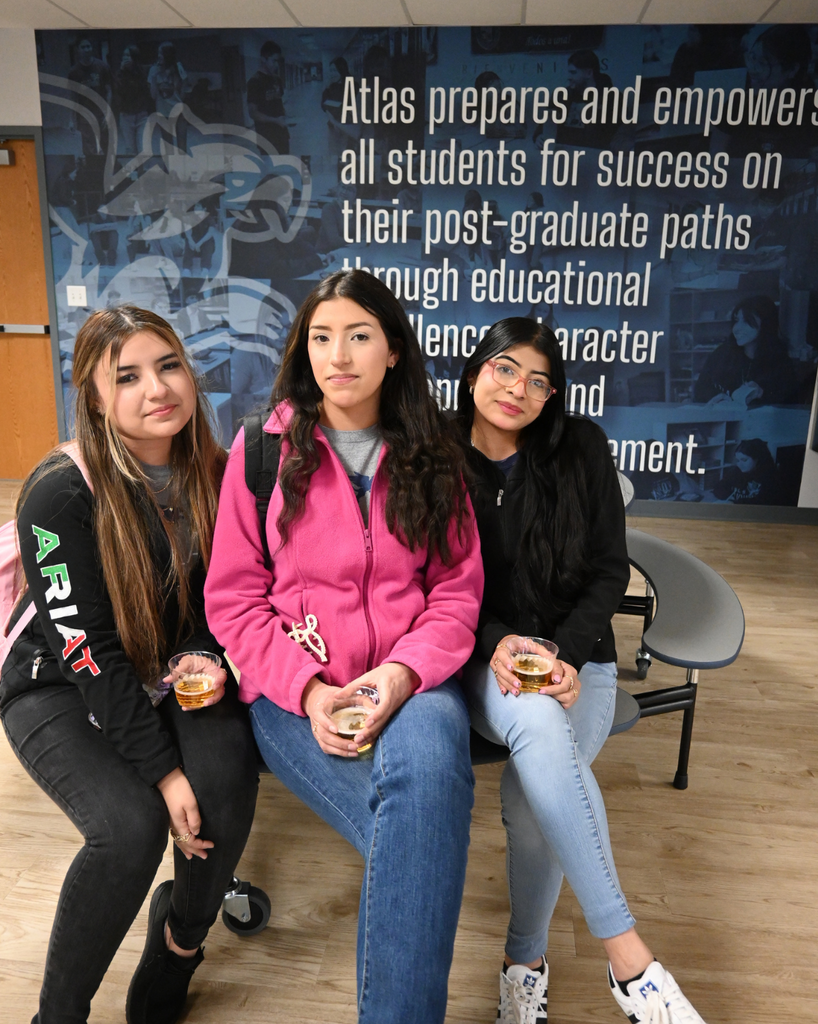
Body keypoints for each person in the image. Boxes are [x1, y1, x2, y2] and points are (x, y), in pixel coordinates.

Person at [204, 268, 483, 1024]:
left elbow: (458, 593)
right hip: (297, 692)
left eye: (359, 335)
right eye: (322, 337)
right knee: (424, 829)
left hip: (414, 682)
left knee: (422, 793)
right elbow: (233, 601)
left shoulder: (436, 456)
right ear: (304, 350)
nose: (339, 355)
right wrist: (308, 689)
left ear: (393, 350)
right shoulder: (260, 456)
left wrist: (401, 673)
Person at [0, 306, 258, 1024]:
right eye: (129, 377)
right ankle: (57, 1015)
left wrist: (208, 654)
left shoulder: (218, 471)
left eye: (168, 365)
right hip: (57, 680)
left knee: (227, 786)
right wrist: (162, 771)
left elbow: (229, 594)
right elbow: (89, 653)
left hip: (173, 669)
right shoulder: (58, 493)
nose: (157, 389)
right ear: (95, 397)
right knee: (132, 826)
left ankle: (177, 947)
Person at [454, 317, 709, 1024]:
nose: (519, 389)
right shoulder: (433, 458)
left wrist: (563, 653)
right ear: (476, 370)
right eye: (506, 369)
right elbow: (429, 587)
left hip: (581, 662)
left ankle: (523, 962)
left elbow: (607, 572)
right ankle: (632, 964)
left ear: (552, 396)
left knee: (530, 801)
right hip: (485, 662)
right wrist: (503, 641)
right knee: (535, 722)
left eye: (539, 381)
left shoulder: (581, 448)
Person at [693, 295, 802, 406]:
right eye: (736, 320)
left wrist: (762, 394)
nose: (737, 328)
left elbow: (791, 403)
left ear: (765, 324)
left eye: (746, 321)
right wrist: (716, 400)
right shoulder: (721, 354)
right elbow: (699, 393)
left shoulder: (780, 361)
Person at [246, 40, 290, 154]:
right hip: (266, 137)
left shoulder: (277, 79)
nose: (276, 65)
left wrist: (285, 117)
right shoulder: (254, 82)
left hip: (282, 134)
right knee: (271, 170)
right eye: (273, 61)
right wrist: (275, 120)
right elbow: (253, 113)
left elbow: (278, 103)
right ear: (263, 59)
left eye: (278, 61)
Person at [712, 438, 779, 504]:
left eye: (744, 460)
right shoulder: (737, 471)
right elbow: (719, 487)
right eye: (738, 460)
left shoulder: (770, 477)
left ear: (757, 459)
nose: (739, 464)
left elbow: (763, 502)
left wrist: (735, 503)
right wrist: (728, 498)